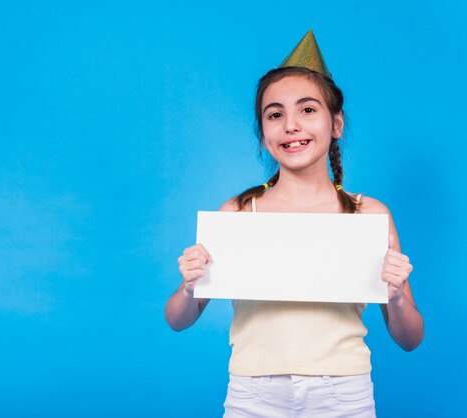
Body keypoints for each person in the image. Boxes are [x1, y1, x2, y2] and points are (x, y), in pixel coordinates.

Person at [164, 30, 424, 418]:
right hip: (252, 394)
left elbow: (409, 338)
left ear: (335, 123)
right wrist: (188, 286)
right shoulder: (238, 213)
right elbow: (178, 321)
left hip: (344, 393)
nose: (291, 126)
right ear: (264, 132)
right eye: (275, 114)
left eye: (307, 110)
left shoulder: (368, 214)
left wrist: (399, 293)